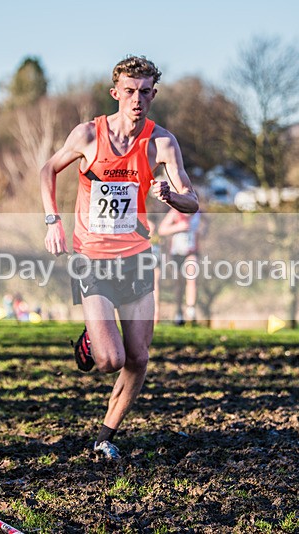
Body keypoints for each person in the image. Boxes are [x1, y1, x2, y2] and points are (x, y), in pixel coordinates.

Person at [40, 56, 198, 459]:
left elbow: (192, 200)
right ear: (116, 93)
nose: (136, 99)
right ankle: (92, 340)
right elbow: (48, 170)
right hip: (91, 256)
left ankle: (105, 436)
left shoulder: (162, 143)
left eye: (145, 92)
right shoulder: (88, 135)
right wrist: (53, 221)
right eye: (129, 91)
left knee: (139, 357)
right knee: (111, 359)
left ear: (153, 94)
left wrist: (171, 196)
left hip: (137, 257)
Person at [158, 208, 204, 325]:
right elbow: (162, 230)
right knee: (179, 283)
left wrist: (202, 230)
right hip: (177, 252)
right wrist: (178, 227)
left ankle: (191, 310)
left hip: (191, 251)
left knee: (192, 278)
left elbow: (205, 225)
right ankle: (179, 313)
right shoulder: (175, 212)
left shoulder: (198, 213)